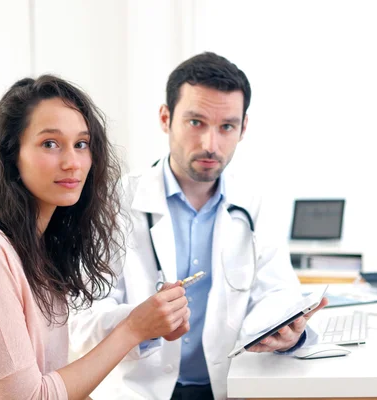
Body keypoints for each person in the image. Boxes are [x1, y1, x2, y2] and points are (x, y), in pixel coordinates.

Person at [0, 75, 190, 400]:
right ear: (12, 153)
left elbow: (56, 374)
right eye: (50, 144)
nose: (72, 163)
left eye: (81, 144)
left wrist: (146, 324)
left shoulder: (43, 247)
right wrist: (134, 328)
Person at [68, 52, 328, 400]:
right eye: (196, 122)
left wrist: (284, 330)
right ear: (166, 118)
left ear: (243, 127)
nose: (210, 144)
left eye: (226, 127)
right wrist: (140, 323)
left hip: (227, 386)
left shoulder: (253, 204)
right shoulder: (115, 202)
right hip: (139, 390)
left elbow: (278, 292)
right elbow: (80, 320)